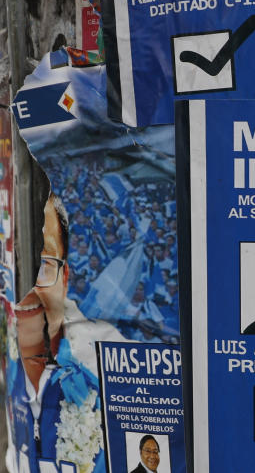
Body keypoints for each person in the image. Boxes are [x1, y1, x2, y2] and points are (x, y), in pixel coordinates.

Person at [11, 190, 124, 472]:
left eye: (45, 264)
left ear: (65, 277)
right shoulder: (9, 359)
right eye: (17, 261)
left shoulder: (107, 354)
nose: (30, 289)